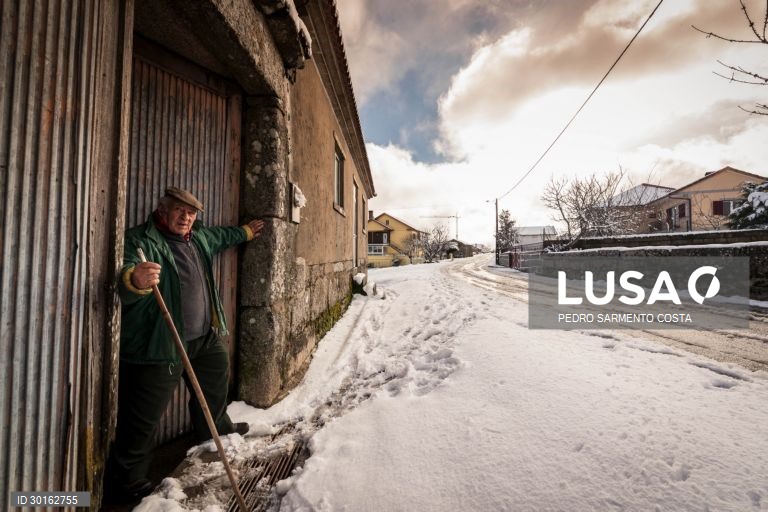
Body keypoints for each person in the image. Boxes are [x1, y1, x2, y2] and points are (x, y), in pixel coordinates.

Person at [108, 186, 264, 500]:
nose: (186, 217)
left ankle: (214, 429)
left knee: (217, 378)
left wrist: (245, 232)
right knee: (142, 416)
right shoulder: (140, 240)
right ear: (163, 209)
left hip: (203, 338)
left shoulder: (199, 238)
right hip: (162, 343)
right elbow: (122, 275)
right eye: (179, 210)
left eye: (191, 213)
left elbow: (222, 237)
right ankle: (127, 480)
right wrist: (134, 280)